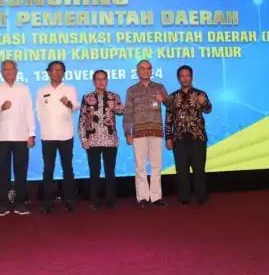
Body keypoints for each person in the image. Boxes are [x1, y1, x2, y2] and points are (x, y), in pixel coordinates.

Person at [0, 60, 36, 216]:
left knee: (21, 171)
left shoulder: (24, 88)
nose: (8, 72)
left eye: (11, 69)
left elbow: (29, 112)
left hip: (21, 136)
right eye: (5, 69)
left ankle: (20, 203)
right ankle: (4, 204)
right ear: (1, 72)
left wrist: (31, 133)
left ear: (16, 71)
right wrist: (1, 107)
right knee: (3, 171)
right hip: (2, 136)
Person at [123, 60, 173, 208]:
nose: (146, 71)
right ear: (137, 72)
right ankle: (143, 198)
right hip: (138, 133)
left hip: (156, 131)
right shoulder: (132, 90)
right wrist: (127, 132)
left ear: (152, 71)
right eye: (142, 68)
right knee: (140, 166)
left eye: (148, 68)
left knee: (157, 165)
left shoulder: (159, 87)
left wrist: (163, 99)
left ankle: (156, 197)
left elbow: (171, 105)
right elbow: (128, 112)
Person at [165, 65, 213, 204]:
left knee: (199, 169)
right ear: (178, 78)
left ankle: (201, 196)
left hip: (197, 136)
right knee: (181, 170)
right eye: (182, 76)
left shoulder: (200, 94)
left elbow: (208, 110)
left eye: (187, 76)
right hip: (179, 138)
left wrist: (204, 103)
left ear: (191, 77)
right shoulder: (172, 97)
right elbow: (168, 118)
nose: (185, 78)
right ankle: (184, 197)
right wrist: (168, 137)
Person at [36, 61, 80, 213]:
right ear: (49, 72)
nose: (57, 72)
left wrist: (68, 103)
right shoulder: (42, 91)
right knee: (48, 169)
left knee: (67, 168)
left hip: (66, 134)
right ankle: (48, 202)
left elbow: (76, 106)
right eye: (54, 70)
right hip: (48, 135)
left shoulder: (70, 89)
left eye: (60, 70)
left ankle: (69, 200)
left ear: (64, 73)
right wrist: (46, 126)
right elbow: (39, 112)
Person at [78, 70, 125, 210]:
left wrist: (114, 107)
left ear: (107, 80)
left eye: (103, 79)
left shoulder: (114, 96)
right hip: (92, 140)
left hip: (110, 140)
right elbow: (82, 119)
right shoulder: (87, 97)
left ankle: (111, 201)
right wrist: (83, 138)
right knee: (94, 172)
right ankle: (95, 201)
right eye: (98, 79)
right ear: (94, 81)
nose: (101, 81)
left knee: (110, 172)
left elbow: (122, 111)